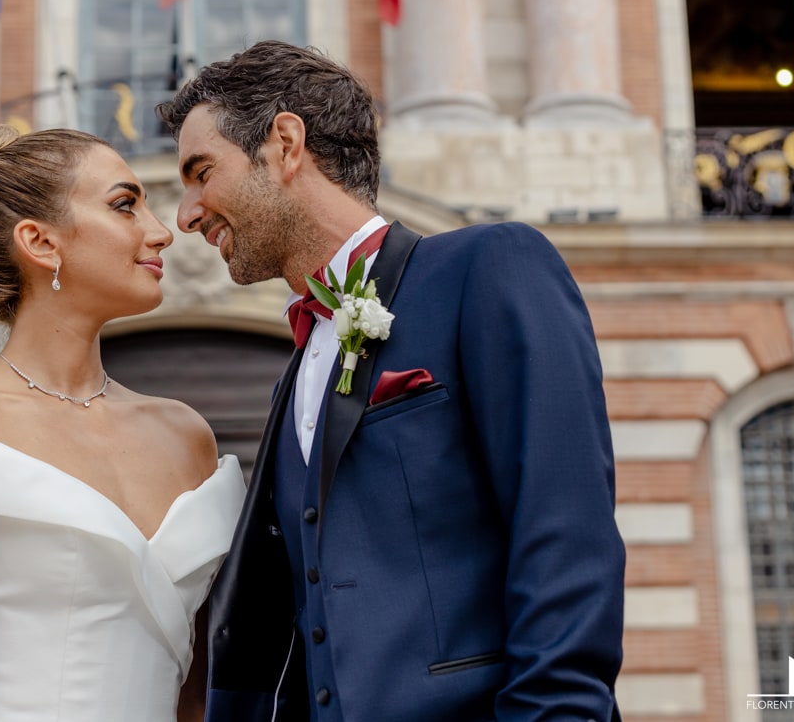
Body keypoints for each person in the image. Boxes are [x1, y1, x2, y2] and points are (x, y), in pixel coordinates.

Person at [157, 41, 625, 722]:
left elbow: (565, 534)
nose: (187, 213)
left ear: (284, 144)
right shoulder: (294, 369)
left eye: (201, 173)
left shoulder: (487, 270)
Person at [0, 117, 246, 722]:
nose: (162, 232)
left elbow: (196, 696)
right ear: (39, 242)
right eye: (125, 206)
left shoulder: (185, 435)